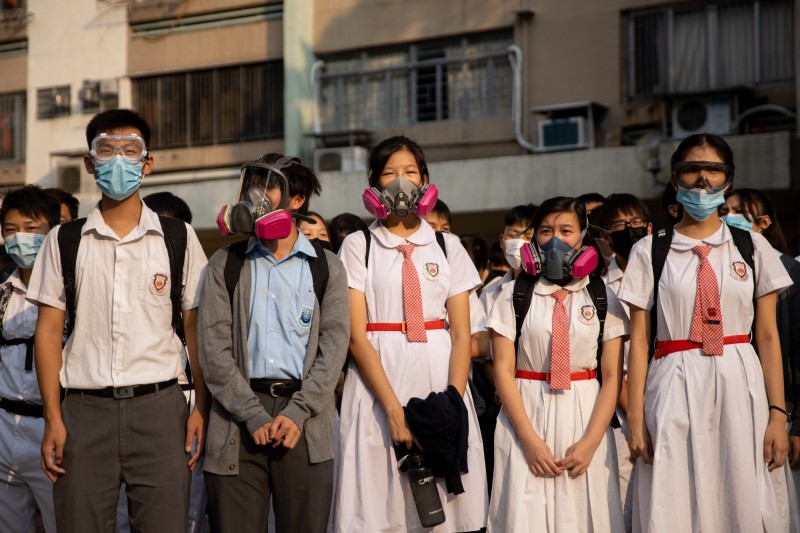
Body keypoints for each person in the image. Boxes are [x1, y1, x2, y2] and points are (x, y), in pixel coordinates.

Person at [28, 108, 209, 533]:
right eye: (106, 151)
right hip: (83, 414)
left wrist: (201, 404)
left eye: (131, 151)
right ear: (90, 163)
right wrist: (53, 417)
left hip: (161, 410)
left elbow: (196, 328)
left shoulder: (178, 236)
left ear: (148, 163)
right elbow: (49, 331)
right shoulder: (65, 240)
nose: (118, 161)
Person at [619, 133, 792, 532]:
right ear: (675, 178)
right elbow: (640, 340)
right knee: (674, 497)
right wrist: (634, 418)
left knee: (741, 497)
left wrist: (778, 415)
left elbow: (767, 336)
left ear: (727, 179)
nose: (702, 179)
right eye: (692, 169)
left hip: (739, 384)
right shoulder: (651, 249)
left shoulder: (751, 246)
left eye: (713, 169)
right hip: (673, 381)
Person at [334, 135, 488, 532]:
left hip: (440, 379)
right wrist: (394, 412)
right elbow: (356, 335)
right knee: (380, 499)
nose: (400, 182)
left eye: (409, 172)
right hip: (378, 386)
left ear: (425, 180)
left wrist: (454, 402)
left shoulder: (447, 245)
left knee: (447, 510)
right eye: (389, 173)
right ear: (373, 185)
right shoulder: (358, 244)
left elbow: (461, 334)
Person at [199, 153, 349, 533]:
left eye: (268, 185)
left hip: (305, 419)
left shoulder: (327, 266)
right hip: (237, 418)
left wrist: (298, 412)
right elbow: (213, 351)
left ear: (296, 200)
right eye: (252, 183)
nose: (256, 194)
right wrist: (251, 414)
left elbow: (333, 350)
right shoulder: (224, 263)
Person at [486, 196, 626, 531]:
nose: (555, 240)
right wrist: (530, 441)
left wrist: (591, 442)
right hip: (525, 415)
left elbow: (611, 376)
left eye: (566, 230)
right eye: (546, 231)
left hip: (585, 417)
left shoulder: (603, 294)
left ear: (582, 235)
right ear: (534, 237)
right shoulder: (513, 293)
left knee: (585, 515)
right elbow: (503, 371)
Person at [723, 188, 800, 531]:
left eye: (738, 211)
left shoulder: (789, 274)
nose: (727, 215)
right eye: (725, 209)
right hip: (732, 400)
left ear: (763, 223)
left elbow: (792, 349)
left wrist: (794, 422)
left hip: (777, 409)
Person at [0, 185, 60, 533]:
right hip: (6, 424)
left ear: (52, 231)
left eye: (31, 228)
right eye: (11, 229)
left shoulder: (72, 290)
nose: (20, 237)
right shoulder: (3, 291)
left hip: (52, 427)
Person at [598, 193, 653, 533]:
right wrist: (636, 412)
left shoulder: (667, 275)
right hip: (621, 412)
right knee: (626, 509)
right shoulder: (602, 289)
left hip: (667, 395)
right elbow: (611, 365)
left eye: (635, 224)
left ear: (650, 228)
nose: (629, 231)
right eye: (620, 226)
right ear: (605, 236)